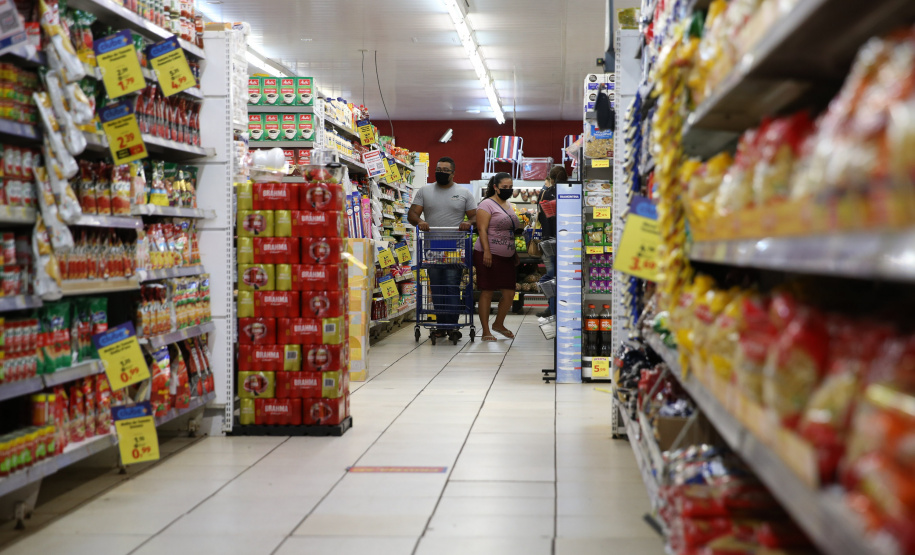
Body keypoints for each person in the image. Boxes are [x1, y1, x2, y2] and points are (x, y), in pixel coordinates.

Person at [408, 156, 477, 339]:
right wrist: (421, 221)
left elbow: (475, 217)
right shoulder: (425, 190)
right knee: (437, 287)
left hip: (455, 248)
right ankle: (440, 325)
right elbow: (412, 214)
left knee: (452, 286)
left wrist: (467, 222)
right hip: (431, 248)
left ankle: (452, 325)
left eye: (446, 170)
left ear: (453, 173)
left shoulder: (464, 193)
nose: (441, 172)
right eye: (439, 169)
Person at [473, 172, 523, 342]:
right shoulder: (486, 205)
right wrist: (487, 251)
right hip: (488, 254)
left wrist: (514, 251)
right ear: (495, 187)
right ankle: (486, 331)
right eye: (504, 187)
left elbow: (509, 231)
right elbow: (482, 230)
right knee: (487, 291)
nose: (508, 190)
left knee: (509, 293)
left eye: (510, 187)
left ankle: (498, 324)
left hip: (507, 255)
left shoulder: (508, 204)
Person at [535, 166, 564, 318]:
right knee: (562, 277)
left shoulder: (546, 193)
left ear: (551, 179)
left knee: (551, 277)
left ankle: (552, 309)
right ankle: (555, 308)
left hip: (550, 242)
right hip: (567, 241)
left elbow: (540, 216)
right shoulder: (570, 190)